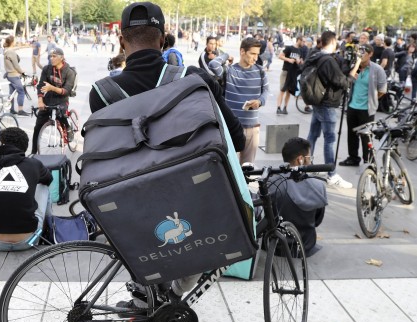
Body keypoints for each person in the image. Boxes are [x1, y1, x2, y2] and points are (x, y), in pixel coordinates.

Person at [88, 1, 246, 305]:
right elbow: (236, 138)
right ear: (163, 39)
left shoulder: (101, 93)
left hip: (131, 202)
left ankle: (143, 296)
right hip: (187, 197)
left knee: (142, 239)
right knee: (202, 234)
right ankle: (173, 295)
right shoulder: (194, 78)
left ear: (121, 42)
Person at [303, 31, 359, 188]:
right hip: (327, 103)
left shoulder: (315, 55)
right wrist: (354, 72)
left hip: (317, 100)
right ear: (333, 41)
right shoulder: (328, 60)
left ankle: (306, 167)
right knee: (330, 140)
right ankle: (332, 174)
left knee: (313, 135)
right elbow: (342, 82)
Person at [209, 37, 268, 164]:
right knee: (231, 169)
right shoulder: (230, 70)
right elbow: (213, 64)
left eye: (257, 54)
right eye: (252, 53)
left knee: (248, 168)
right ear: (242, 51)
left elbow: (266, 92)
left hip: (252, 127)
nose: (255, 58)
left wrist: (260, 101)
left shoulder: (260, 72)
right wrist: (226, 55)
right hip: (232, 128)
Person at [268, 137, 327, 257]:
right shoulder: (318, 186)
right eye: (309, 158)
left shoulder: (270, 183)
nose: (311, 161)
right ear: (300, 159)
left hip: (275, 246)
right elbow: (317, 221)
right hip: (306, 246)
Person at [339, 43, 387, 166]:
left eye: (363, 52)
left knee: (365, 136)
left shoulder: (377, 69)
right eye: (358, 52)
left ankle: (368, 160)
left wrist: (371, 99)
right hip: (352, 106)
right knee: (351, 134)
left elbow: (382, 90)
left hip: (366, 109)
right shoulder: (354, 67)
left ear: (370, 54)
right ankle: (353, 158)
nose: (360, 55)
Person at [32, 47, 76, 154]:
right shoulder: (47, 69)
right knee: (37, 126)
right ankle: (33, 153)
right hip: (48, 99)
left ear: (62, 58)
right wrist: (40, 100)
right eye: (50, 56)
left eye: (54, 56)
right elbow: (41, 85)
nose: (51, 58)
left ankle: (68, 127)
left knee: (62, 115)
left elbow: (66, 91)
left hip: (62, 99)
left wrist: (52, 88)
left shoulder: (70, 72)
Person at [3, 36, 31, 115]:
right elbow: (16, 65)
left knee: (11, 93)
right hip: (14, 75)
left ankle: (11, 109)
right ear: (12, 42)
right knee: (21, 92)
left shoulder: (6, 51)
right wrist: (22, 72)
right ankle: (20, 110)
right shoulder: (11, 52)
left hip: (9, 74)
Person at [276, 36, 304, 114]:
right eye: (303, 41)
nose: (304, 43)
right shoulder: (289, 48)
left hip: (293, 73)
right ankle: (278, 108)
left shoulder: (300, 50)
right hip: (286, 71)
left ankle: (285, 107)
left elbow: (300, 60)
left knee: (289, 91)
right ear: (299, 40)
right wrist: (289, 59)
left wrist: (300, 61)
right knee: (282, 90)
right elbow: (280, 56)